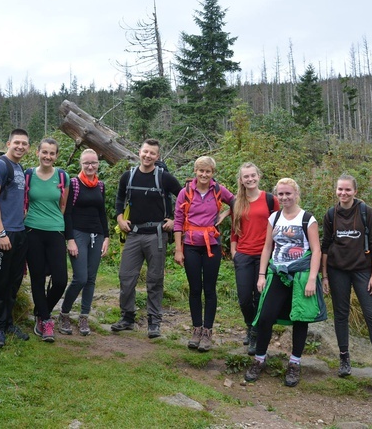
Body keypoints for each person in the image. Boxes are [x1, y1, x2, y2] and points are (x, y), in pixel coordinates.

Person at [244, 178, 322, 388]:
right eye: (281, 194)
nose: (285, 197)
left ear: (296, 194)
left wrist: (312, 279)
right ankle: (259, 359)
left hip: (300, 276)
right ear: (277, 195)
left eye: (288, 193)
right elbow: (267, 247)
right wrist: (262, 275)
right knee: (266, 316)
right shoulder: (274, 217)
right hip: (277, 273)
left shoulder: (308, 219)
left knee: (299, 318)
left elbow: (316, 250)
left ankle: (295, 363)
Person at [321, 174, 372, 388]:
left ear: (355, 191)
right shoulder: (330, 215)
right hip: (337, 271)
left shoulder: (366, 212)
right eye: (340, 189)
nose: (343, 193)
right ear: (336, 190)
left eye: (347, 190)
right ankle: (344, 359)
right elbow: (325, 246)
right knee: (341, 315)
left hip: (363, 271)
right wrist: (324, 276)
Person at [111, 138, 181, 338]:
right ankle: (127, 318)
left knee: (155, 279)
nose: (148, 156)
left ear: (157, 156)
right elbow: (119, 199)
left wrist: (175, 220)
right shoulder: (128, 176)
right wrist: (119, 219)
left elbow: (185, 198)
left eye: (152, 153)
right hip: (133, 234)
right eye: (145, 152)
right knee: (126, 277)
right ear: (139, 152)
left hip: (157, 235)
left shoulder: (164, 177)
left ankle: (154, 322)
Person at [174, 156, 235, 351]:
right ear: (195, 171)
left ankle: (208, 332)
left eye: (208, 171)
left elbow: (238, 202)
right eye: (201, 171)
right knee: (194, 289)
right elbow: (177, 222)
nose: (204, 174)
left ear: (212, 173)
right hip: (190, 245)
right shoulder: (185, 193)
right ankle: (196, 329)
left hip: (212, 245)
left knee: (209, 289)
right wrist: (178, 250)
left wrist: (226, 213)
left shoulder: (218, 190)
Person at [0, 128, 31, 347]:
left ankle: (8, 322)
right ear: (8, 143)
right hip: (0, 232)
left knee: (14, 281)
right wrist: (1, 232)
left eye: (24, 144)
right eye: (17, 143)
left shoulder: (19, 167)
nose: (20, 147)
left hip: (18, 231)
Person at [24, 138, 70, 343]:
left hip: (55, 232)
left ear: (56, 156)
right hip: (32, 230)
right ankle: (45, 320)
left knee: (60, 280)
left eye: (52, 153)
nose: (48, 156)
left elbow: (63, 206)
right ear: (37, 153)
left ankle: (40, 311)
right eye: (44, 152)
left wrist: (57, 224)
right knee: (37, 278)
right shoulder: (28, 175)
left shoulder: (62, 176)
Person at [230, 162, 278, 355]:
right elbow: (234, 229)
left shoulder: (270, 199)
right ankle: (249, 325)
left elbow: (278, 226)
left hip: (264, 255)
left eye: (253, 175)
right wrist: (234, 252)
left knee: (260, 297)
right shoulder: (237, 201)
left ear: (258, 176)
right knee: (243, 298)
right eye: (246, 176)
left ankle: (256, 333)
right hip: (243, 254)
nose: (250, 179)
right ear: (241, 180)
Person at [60, 149, 110, 336]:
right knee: (80, 277)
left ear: (98, 164)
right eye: (86, 163)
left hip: (96, 235)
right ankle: (64, 313)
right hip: (78, 234)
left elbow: (102, 213)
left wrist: (106, 237)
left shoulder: (101, 186)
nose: (90, 167)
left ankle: (84, 317)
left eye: (94, 163)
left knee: (90, 279)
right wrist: (70, 239)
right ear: (81, 164)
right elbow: (68, 212)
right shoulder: (73, 184)